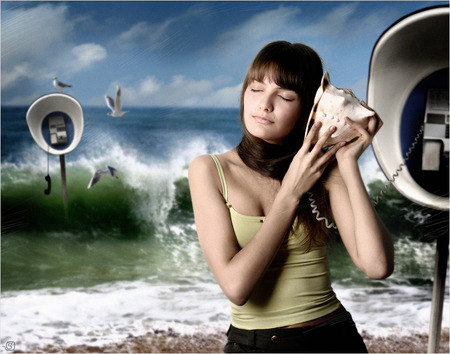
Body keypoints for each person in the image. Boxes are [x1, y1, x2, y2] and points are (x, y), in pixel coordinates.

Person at [188, 41, 394, 353]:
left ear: (307, 110)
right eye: (256, 89)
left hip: (334, 336)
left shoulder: (324, 171)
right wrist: (291, 192)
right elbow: (236, 287)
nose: (265, 104)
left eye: (285, 96)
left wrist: (347, 163)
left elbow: (377, 266)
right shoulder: (210, 169)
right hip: (256, 345)